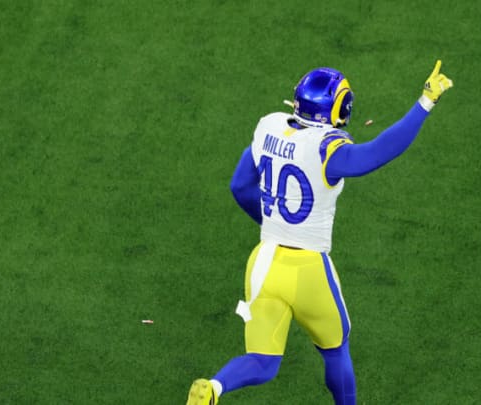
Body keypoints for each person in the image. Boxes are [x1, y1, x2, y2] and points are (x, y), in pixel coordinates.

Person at [186, 61, 453, 405]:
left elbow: (240, 185)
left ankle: (214, 388)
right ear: (337, 108)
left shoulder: (269, 127)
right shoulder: (328, 148)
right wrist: (425, 103)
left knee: (262, 361)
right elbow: (378, 152)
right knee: (335, 350)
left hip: (265, 262)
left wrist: (273, 225)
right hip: (309, 270)